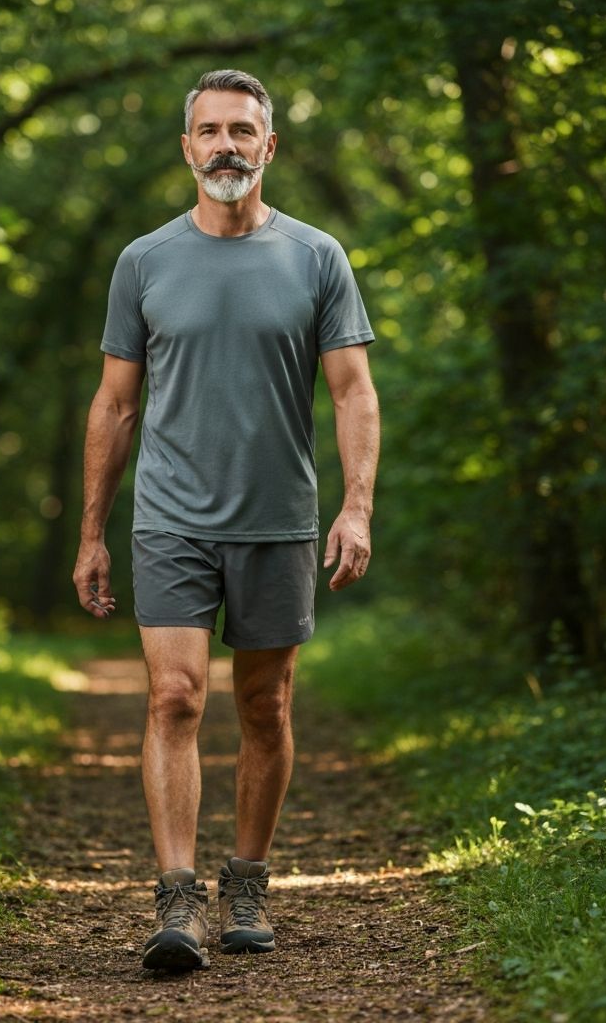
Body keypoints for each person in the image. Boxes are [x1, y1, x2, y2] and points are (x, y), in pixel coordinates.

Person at [72, 68, 380, 972]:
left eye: (242, 131)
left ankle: (247, 882)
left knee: (265, 704)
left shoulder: (316, 256)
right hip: (170, 517)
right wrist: (92, 533)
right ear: (187, 148)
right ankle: (178, 900)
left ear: (268, 146)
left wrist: (357, 507)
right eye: (209, 131)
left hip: (278, 518)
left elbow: (354, 392)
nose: (225, 146)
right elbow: (115, 405)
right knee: (174, 696)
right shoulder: (144, 261)